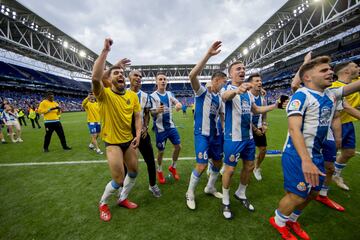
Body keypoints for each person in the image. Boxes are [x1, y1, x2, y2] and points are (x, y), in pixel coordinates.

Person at [269, 56, 360, 240]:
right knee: (297, 195)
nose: (330, 72)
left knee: (313, 192)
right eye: (324, 70)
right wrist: (306, 161)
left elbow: (355, 86)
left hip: (316, 154)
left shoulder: (331, 94)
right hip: (297, 154)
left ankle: (293, 219)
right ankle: (278, 222)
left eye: (330, 69)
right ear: (308, 78)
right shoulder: (301, 96)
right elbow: (294, 129)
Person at [220, 60, 284, 219]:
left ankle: (241, 193)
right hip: (233, 138)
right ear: (230, 74)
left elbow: (256, 110)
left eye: (243, 68)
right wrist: (237, 91)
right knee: (229, 169)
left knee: (249, 166)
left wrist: (275, 105)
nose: (242, 70)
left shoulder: (249, 93)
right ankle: (225, 200)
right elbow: (225, 97)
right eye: (238, 69)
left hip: (248, 138)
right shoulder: (228, 88)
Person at [93, 38, 141, 222]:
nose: (120, 75)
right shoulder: (103, 94)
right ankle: (103, 203)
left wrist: (137, 134)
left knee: (134, 172)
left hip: (128, 140)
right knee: (119, 178)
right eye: (116, 73)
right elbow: (96, 78)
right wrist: (105, 52)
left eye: (122, 73)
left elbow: (137, 117)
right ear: (109, 79)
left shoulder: (132, 95)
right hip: (112, 142)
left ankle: (122, 198)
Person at [185, 41, 227, 210]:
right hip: (202, 133)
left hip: (215, 135)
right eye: (223, 81)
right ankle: (190, 193)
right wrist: (208, 55)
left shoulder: (219, 98)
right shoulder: (202, 92)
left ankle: (210, 187)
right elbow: (192, 76)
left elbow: (221, 117)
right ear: (216, 80)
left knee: (217, 163)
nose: (225, 84)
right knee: (201, 165)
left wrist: (223, 132)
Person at [128, 69, 161, 197]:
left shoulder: (145, 96)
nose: (138, 78)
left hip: (142, 132)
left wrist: (146, 127)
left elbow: (147, 113)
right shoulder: (123, 93)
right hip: (126, 134)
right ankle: (122, 187)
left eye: (140, 76)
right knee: (127, 163)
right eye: (135, 75)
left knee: (150, 160)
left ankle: (152, 185)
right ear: (129, 77)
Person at [330, 61, 360, 191]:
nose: (358, 68)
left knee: (349, 152)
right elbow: (346, 107)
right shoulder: (335, 86)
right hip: (333, 126)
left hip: (347, 123)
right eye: (355, 66)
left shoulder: (355, 80)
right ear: (346, 71)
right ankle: (321, 183)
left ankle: (336, 175)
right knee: (328, 157)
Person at [150, 72, 182, 184]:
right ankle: (159, 170)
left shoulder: (169, 94)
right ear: (156, 82)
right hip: (160, 129)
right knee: (161, 151)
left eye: (164, 79)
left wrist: (178, 104)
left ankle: (173, 167)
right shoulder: (153, 96)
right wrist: (157, 111)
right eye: (160, 79)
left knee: (178, 147)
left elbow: (175, 101)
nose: (163, 81)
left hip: (171, 127)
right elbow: (152, 113)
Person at [248, 73, 268, 181]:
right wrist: (254, 129)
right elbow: (244, 116)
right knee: (239, 151)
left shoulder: (262, 98)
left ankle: (257, 168)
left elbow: (264, 113)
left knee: (263, 149)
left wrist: (264, 124)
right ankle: (226, 166)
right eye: (257, 81)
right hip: (247, 127)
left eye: (260, 81)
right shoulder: (246, 96)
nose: (260, 82)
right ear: (250, 84)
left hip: (259, 126)